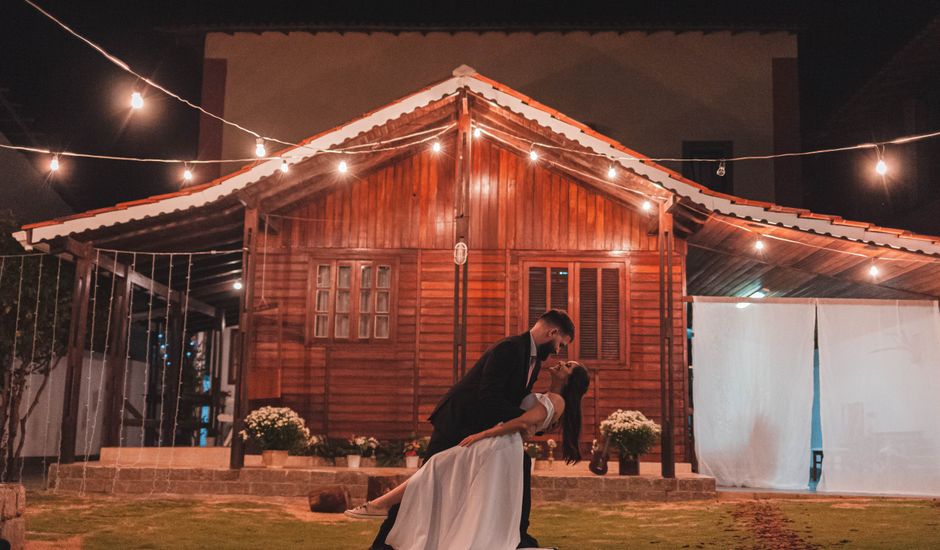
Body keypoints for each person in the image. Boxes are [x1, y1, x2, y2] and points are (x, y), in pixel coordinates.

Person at [359, 309, 575, 550]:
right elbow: (489, 395)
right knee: (426, 482)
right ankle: (381, 545)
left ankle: (516, 535)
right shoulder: (510, 349)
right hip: (457, 422)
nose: (558, 351)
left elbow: (516, 398)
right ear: (552, 332)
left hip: (478, 428)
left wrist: (532, 421)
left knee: (515, 464)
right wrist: (525, 421)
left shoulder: (532, 359)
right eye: (560, 344)